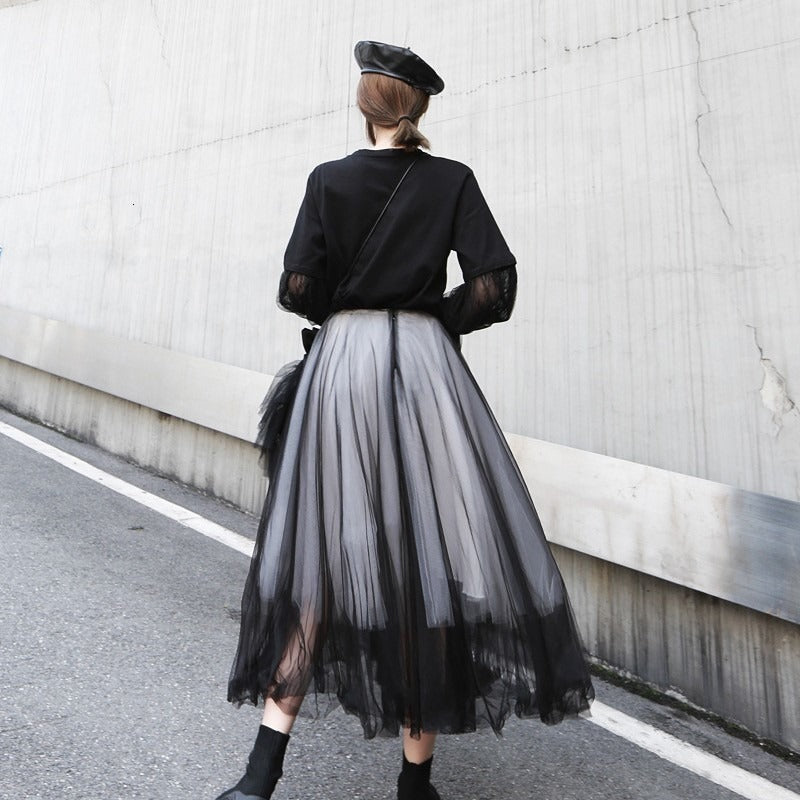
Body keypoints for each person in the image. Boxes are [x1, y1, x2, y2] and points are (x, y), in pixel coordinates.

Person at [215, 40, 595, 800]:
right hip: (424, 373)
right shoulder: (451, 180)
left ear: (365, 105)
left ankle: (259, 777)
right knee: (428, 568)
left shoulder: (329, 180)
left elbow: (296, 286)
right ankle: (414, 784)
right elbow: (496, 285)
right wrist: (429, 319)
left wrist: (347, 316)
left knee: (322, 561)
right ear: (417, 107)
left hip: (344, 371)